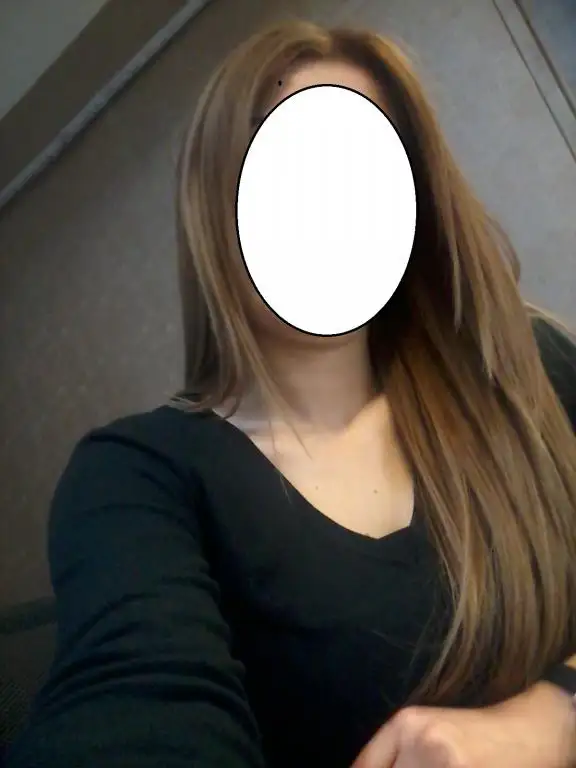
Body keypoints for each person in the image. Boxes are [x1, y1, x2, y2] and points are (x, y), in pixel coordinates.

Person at [7, 18, 576, 768]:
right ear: (218, 209)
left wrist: (557, 715)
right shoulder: (139, 478)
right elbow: (133, 706)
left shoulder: (527, 366)